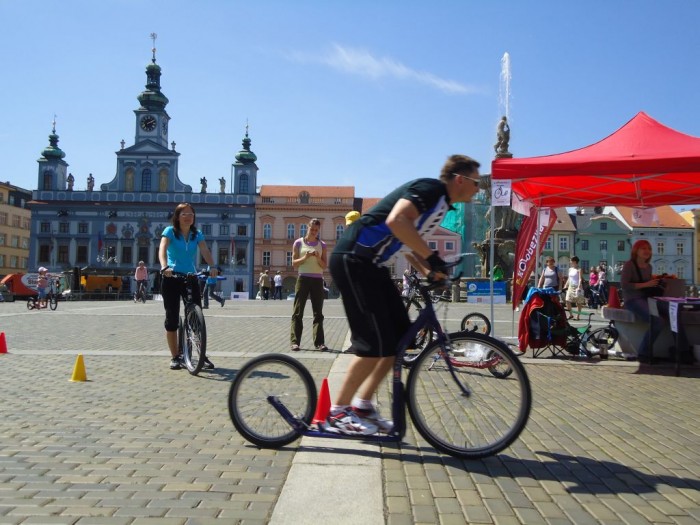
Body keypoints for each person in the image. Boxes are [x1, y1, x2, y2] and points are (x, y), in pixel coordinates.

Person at [326, 154, 481, 435]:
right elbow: (398, 221)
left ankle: (362, 406)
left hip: (372, 264)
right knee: (373, 342)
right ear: (460, 179)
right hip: (354, 257)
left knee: (398, 340)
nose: (478, 189)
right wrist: (433, 258)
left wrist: (430, 271)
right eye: (476, 182)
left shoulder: (442, 206)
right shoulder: (430, 190)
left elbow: (406, 244)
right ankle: (338, 412)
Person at [158, 203, 218, 370]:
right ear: (177, 216)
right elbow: (162, 249)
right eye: (184, 214)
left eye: (191, 214)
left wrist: (212, 266)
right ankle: (175, 356)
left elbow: (205, 251)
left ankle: (201, 354)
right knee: (172, 319)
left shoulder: (196, 234)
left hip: (190, 276)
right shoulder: (169, 231)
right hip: (171, 276)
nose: (188, 216)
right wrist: (164, 267)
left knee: (196, 317)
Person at [620, 240, 662, 360]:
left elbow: (648, 287)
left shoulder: (649, 267)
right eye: (643, 248)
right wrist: (647, 284)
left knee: (672, 313)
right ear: (636, 250)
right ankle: (644, 352)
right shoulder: (629, 265)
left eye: (649, 249)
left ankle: (683, 351)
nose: (647, 251)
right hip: (632, 300)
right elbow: (624, 285)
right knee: (657, 321)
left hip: (646, 299)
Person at [290, 218, 327, 351]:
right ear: (307, 227)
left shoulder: (322, 245)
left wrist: (317, 257)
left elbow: (324, 265)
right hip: (303, 279)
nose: (314, 232)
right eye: (312, 229)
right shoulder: (298, 243)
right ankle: (295, 342)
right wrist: (305, 257)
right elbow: (294, 264)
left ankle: (319, 343)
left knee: (318, 313)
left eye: (316, 230)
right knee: (298, 311)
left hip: (317, 280)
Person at [563, 256, 584, 320]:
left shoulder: (579, 269)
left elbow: (580, 279)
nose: (570, 262)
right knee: (567, 300)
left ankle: (578, 316)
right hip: (570, 287)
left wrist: (579, 286)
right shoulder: (570, 269)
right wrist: (565, 285)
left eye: (570, 261)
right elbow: (569, 278)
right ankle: (571, 314)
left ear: (574, 261)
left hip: (577, 286)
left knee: (578, 302)